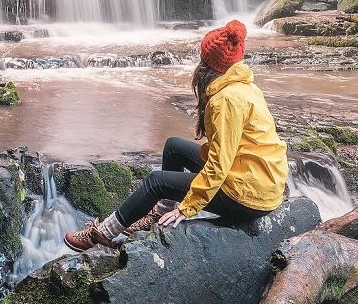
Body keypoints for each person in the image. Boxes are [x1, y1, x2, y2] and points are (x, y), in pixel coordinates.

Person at [64, 20, 289, 252]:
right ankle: (157, 215)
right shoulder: (244, 84)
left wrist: (186, 208)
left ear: (207, 65)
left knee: (155, 182)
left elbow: (219, 164)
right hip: (257, 177)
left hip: (248, 195)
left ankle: (101, 235)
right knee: (174, 146)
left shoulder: (226, 100)